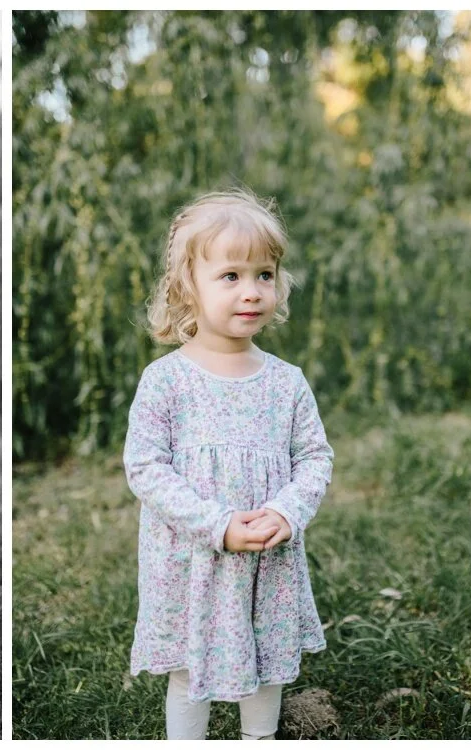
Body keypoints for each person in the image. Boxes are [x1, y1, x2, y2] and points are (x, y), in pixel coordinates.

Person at [124, 189, 333, 740]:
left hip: (269, 558)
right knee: (189, 668)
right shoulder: (166, 381)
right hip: (192, 560)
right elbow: (145, 467)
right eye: (231, 276)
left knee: (266, 661)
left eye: (265, 274)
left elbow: (314, 457)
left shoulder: (286, 382)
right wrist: (216, 523)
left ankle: (258, 738)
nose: (252, 292)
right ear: (187, 286)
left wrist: (286, 513)